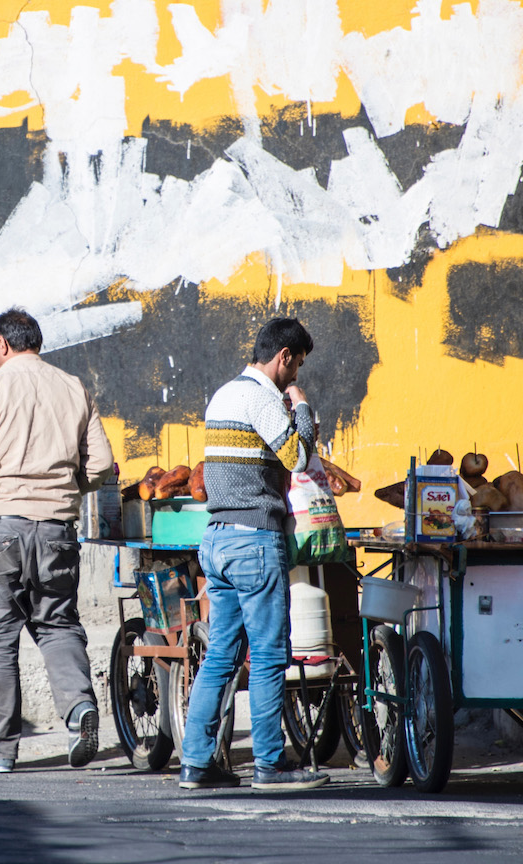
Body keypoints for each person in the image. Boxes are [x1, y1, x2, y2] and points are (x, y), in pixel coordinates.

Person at [0, 309, 116, 773]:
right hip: (57, 532)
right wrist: (62, 487)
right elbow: (101, 466)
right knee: (57, 625)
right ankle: (78, 709)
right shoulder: (74, 386)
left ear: (1, 346)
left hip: (1, 531)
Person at [179, 318, 329, 792]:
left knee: (221, 654)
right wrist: (302, 410)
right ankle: (270, 763)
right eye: (297, 365)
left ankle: (196, 763)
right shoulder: (263, 398)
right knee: (267, 655)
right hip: (253, 540)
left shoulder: (223, 394)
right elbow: (297, 458)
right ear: (283, 356)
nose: (295, 376)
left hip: (217, 538)